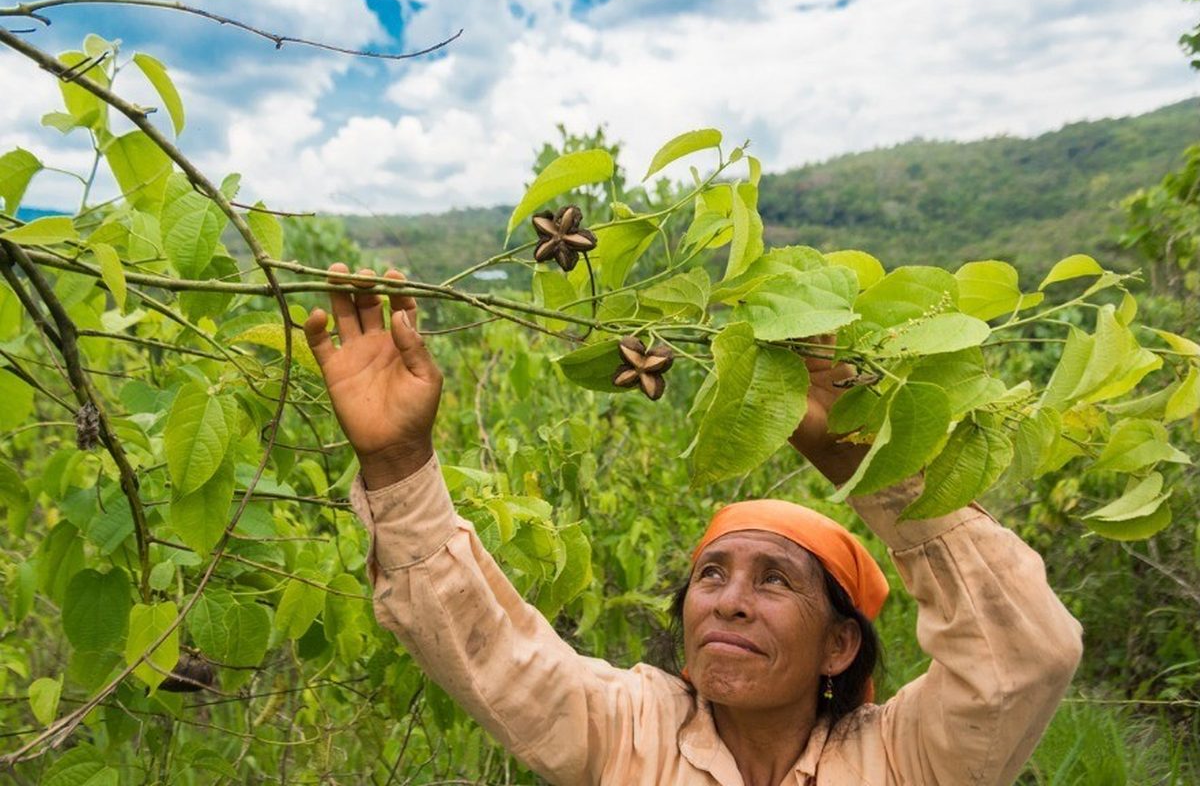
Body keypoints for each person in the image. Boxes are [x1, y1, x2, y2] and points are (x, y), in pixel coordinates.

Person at [303, 264, 1084, 786]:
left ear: (840, 645)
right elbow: (497, 656)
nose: (728, 601)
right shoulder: (631, 731)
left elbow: (1023, 656)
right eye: (711, 575)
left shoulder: (905, 758)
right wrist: (401, 466)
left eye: (773, 579)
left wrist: (867, 465)